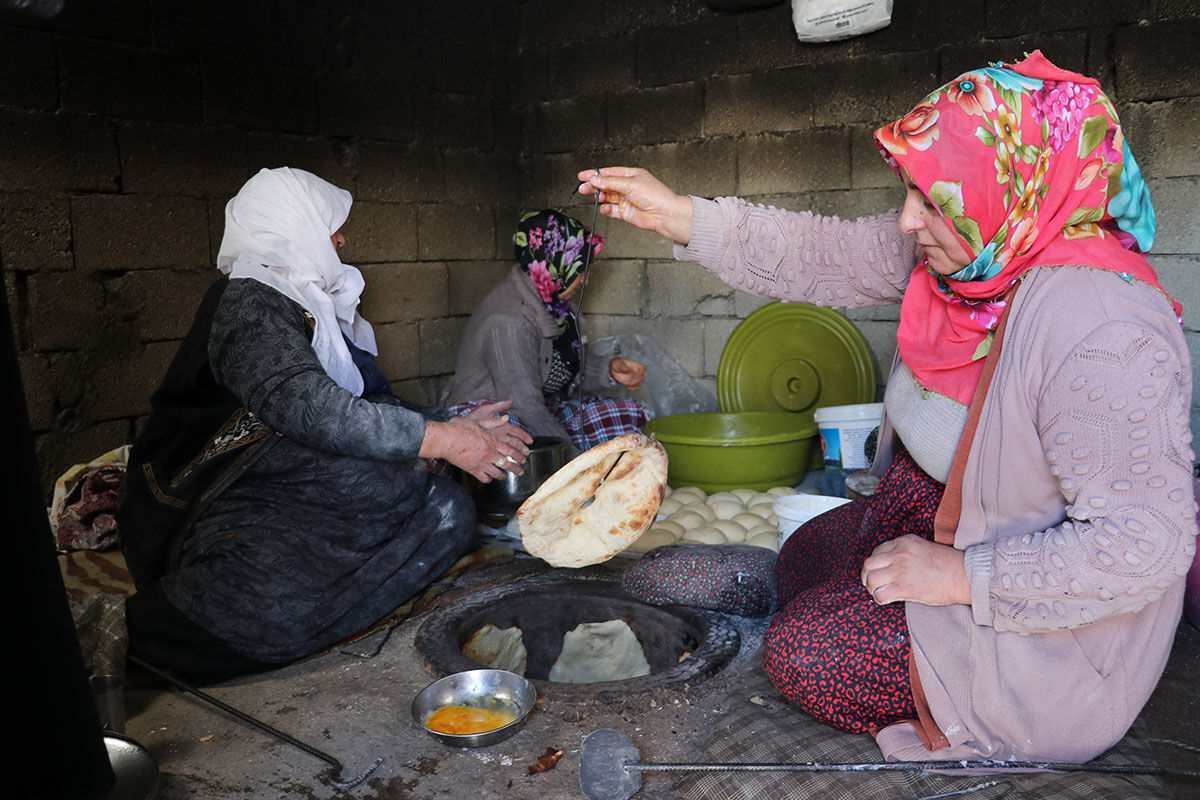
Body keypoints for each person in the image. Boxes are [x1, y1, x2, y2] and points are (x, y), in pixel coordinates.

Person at [578, 51, 1197, 764]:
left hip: (1034, 630)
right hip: (928, 520)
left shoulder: (1101, 326)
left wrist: (959, 576)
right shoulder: (977, 253)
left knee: (807, 655)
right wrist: (682, 216)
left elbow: (1147, 546)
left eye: (931, 200)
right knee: (805, 553)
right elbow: (826, 252)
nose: (906, 220)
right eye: (910, 191)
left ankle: (898, 650)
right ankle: (848, 596)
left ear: (1010, 189)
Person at [117, 167, 532, 684]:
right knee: (386, 479)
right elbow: (314, 410)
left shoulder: (313, 302)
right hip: (219, 497)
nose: (340, 239)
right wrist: (446, 439)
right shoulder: (250, 302)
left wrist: (451, 421)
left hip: (289, 475)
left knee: (449, 510)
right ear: (293, 225)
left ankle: (321, 604)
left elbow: (365, 401)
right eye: (330, 225)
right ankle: (177, 628)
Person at [441, 209, 649, 456]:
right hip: (488, 416)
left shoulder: (555, 303)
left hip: (541, 406)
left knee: (628, 415)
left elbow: (564, 365)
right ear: (554, 262)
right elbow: (523, 404)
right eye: (580, 268)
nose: (586, 280)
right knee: (513, 435)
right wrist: (572, 464)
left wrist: (608, 369)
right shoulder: (509, 320)